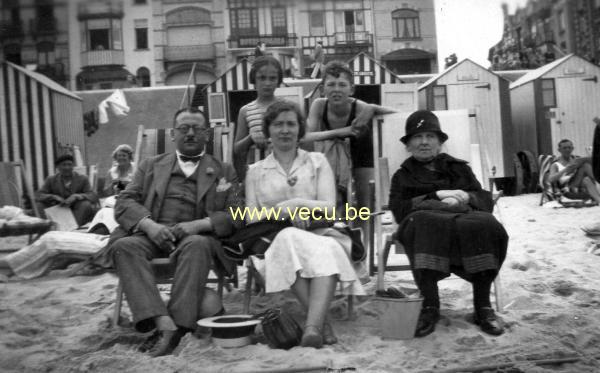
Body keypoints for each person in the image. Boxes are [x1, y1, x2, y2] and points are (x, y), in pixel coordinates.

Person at [109, 107, 242, 357]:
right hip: (151, 235)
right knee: (123, 247)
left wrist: (200, 224)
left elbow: (237, 213)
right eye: (184, 129)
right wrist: (149, 225)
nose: (190, 134)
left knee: (198, 244)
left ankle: (180, 324)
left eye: (197, 129)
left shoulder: (225, 171)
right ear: (173, 134)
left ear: (206, 135)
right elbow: (124, 201)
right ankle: (164, 324)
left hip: (194, 239)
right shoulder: (150, 165)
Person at [245, 100, 365, 349]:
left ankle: (314, 326)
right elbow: (251, 218)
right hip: (272, 241)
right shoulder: (255, 171)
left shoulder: (317, 161)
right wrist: (284, 215)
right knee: (287, 239)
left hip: (320, 232)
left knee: (319, 247)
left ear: (300, 130)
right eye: (278, 125)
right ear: (268, 130)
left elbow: (329, 207)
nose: (285, 130)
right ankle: (318, 324)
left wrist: (297, 204)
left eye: (291, 124)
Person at [389, 110, 508, 337]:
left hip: (464, 219)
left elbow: (482, 198)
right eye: (417, 137)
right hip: (426, 223)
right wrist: (438, 195)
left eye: (430, 136)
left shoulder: (459, 167)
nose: (424, 142)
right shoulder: (402, 175)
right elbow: (399, 209)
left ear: (440, 142)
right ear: (409, 145)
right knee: (422, 222)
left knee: (488, 224)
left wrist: (463, 196)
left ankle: (483, 306)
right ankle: (430, 306)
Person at [304, 61, 395, 221]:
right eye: (331, 84)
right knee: (334, 201)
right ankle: (339, 235)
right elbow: (305, 137)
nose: (336, 90)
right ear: (323, 89)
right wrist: (341, 132)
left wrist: (373, 108)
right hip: (333, 154)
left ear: (351, 89)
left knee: (364, 205)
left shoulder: (360, 108)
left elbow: (399, 115)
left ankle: (364, 243)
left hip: (361, 151)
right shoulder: (319, 105)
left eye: (342, 85)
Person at [233, 56, 283, 178]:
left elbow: (301, 140)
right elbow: (237, 149)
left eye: (272, 78)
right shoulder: (246, 111)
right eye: (262, 78)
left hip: (283, 170)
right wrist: (251, 138)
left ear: (278, 80)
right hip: (256, 174)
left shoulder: (287, 108)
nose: (267, 83)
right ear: (253, 79)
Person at [36, 154, 98, 227]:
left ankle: (73, 227)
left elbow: (93, 195)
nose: (67, 167)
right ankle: (47, 227)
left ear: (73, 166)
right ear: (58, 167)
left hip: (76, 210)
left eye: (69, 164)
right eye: (64, 165)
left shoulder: (82, 178)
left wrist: (77, 196)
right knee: (39, 205)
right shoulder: (51, 179)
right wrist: (53, 197)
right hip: (58, 209)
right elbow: (39, 195)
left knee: (85, 204)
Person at [548, 139, 600, 203]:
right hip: (567, 189)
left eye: (569, 148)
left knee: (586, 178)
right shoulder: (556, 164)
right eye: (564, 148)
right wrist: (566, 170)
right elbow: (551, 179)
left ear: (572, 148)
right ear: (559, 150)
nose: (567, 150)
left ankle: (598, 200)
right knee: (585, 166)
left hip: (580, 186)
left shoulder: (576, 160)